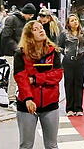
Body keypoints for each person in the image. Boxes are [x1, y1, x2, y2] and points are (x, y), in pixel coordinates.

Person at [14, 21, 63, 149]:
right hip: (27, 105)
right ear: (29, 35)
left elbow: (57, 75)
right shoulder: (20, 54)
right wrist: (28, 99)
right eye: (36, 29)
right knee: (26, 145)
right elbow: (21, 79)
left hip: (50, 104)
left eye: (41, 28)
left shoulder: (54, 51)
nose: (41, 30)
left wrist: (35, 79)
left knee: (52, 145)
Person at [0, 3, 36, 104]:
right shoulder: (12, 19)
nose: (31, 17)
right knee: (14, 72)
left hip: (19, 52)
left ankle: (20, 95)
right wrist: (17, 48)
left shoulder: (25, 22)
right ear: (26, 13)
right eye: (30, 15)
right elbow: (6, 37)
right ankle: (11, 99)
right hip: (10, 51)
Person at [57, 13, 84, 117]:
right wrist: (65, 53)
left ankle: (78, 108)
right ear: (68, 23)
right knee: (69, 84)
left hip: (81, 61)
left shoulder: (83, 32)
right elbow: (59, 47)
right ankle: (69, 109)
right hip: (68, 62)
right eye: (72, 20)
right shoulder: (64, 33)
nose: (75, 22)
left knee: (79, 84)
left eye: (76, 20)